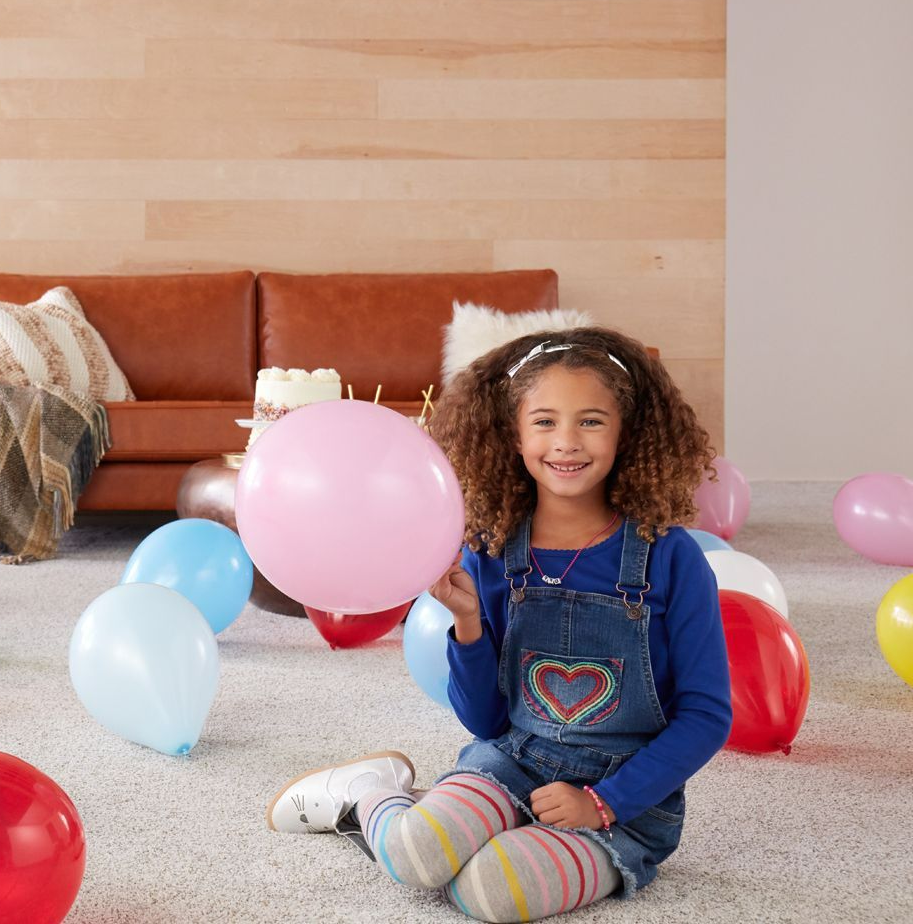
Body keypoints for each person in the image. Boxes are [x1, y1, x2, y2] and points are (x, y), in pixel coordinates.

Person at [265, 327, 732, 922]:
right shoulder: (490, 552)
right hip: (513, 760)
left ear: (626, 432)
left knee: (489, 892)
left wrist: (603, 804)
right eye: (544, 422)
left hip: (624, 803)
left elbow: (707, 715)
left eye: (590, 421)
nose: (566, 442)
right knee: (416, 856)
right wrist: (466, 625)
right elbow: (486, 720)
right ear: (512, 433)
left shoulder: (670, 555)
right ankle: (364, 794)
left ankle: (501, 827)